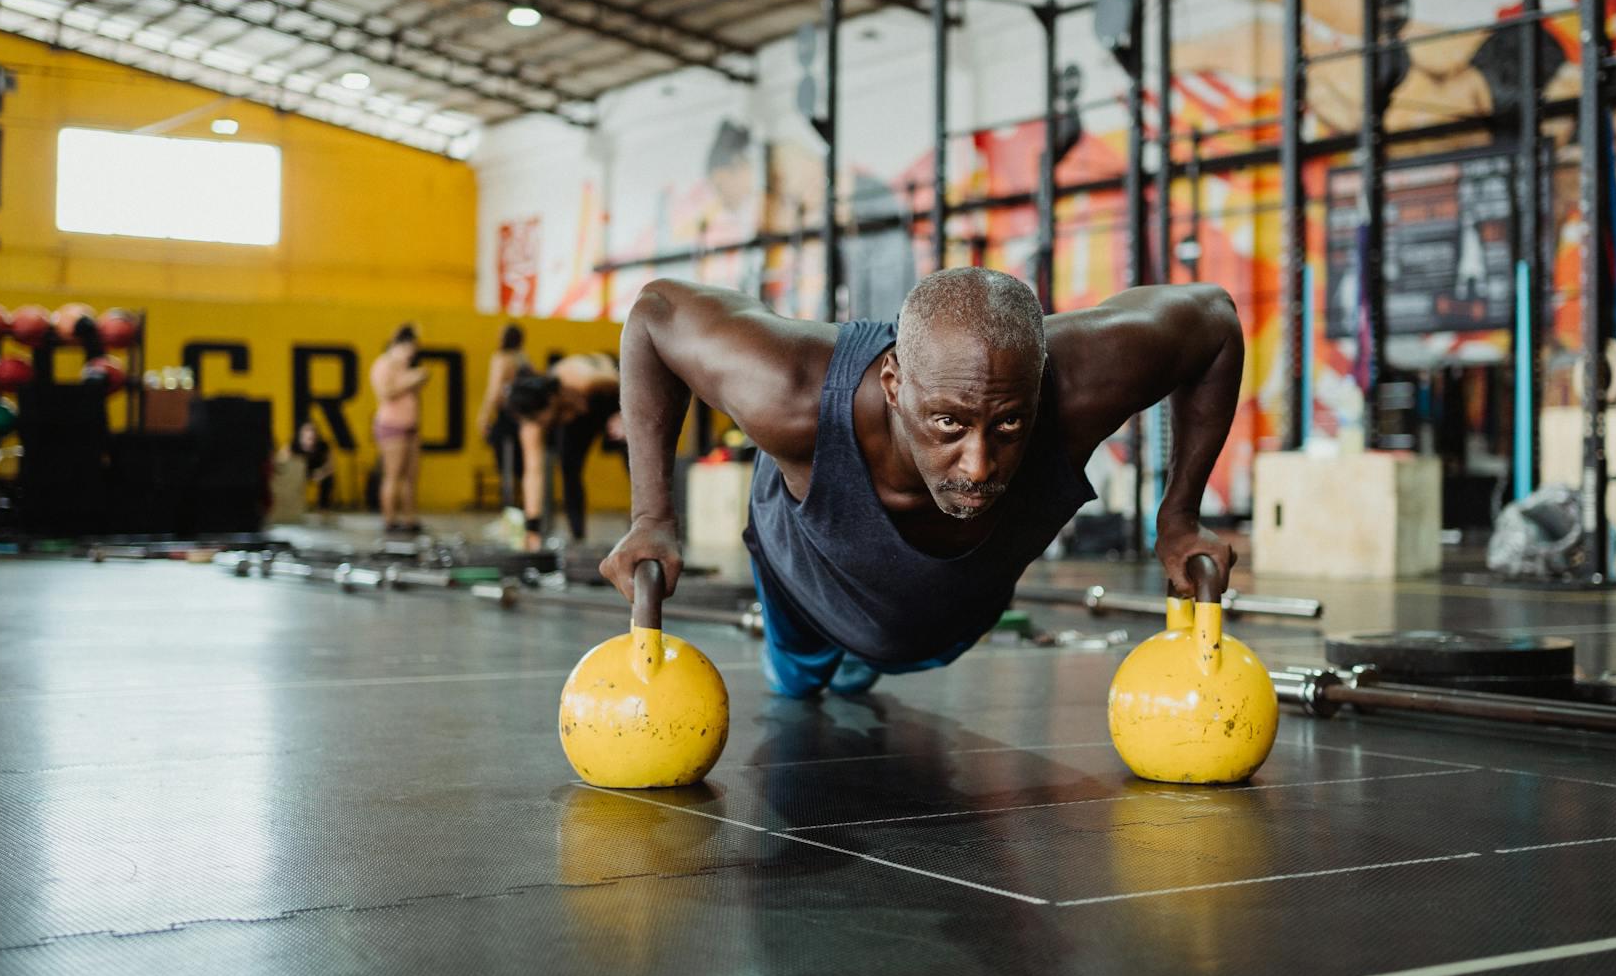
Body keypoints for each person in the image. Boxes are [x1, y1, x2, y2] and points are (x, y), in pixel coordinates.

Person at [601, 267, 1241, 699]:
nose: (979, 465)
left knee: (890, 657)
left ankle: (868, 659)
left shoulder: (1079, 386)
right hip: (807, 587)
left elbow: (1213, 319)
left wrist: (1179, 515)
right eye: (948, 422)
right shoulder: (791, 391)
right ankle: (822, 660)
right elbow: (656, 311)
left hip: (948, 622)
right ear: (893, 385)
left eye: (1010, 422)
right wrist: (652, 516)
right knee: (799, 685)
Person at [505, 352, 624, 549]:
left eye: (541, 419)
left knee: (635, 455)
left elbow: (632, 380)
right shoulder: (532, 423)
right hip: (579, 415)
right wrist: (532, 528)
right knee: (569, 468)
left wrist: (626, 414)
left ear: (552, 400)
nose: (539, 426)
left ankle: (647, 524)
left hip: (615, 392)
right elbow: (533, 472)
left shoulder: (584, 378)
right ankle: (578, 537)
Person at [369, 323, 430, 534]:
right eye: (411, 347)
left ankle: (409, 518)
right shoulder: (384, 364)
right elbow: (386, 392)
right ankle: (389, 519)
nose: (412, 353)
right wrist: (411, 379)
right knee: (393, 474)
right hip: (391, 426)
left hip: (411, 426)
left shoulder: (407, 366)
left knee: (411, 476)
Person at [477, 323, 531, 511]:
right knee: (522, 467)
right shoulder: (524, 359)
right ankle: (524, 509)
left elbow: (494, 391)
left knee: (506, 467)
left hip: (507, 418)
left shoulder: (501, 359)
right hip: (523, 418)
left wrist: (483, 417)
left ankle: (509, 511)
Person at [293, 419, 335, 511]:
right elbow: (283, 460)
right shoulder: (294, 446)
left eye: (313, 430)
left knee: (329, 479)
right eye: (307, 431)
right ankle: (294, 506)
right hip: (300, 473)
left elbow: (330, 466)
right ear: (302, 434)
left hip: (319, 472)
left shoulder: (324, 446)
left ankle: (323, 507)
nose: (311, 433)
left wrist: (322, 474)